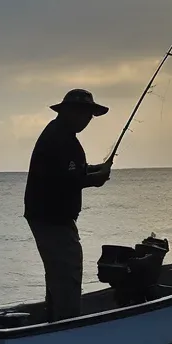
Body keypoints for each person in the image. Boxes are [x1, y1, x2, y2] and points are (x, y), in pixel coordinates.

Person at [24, 88, 113, 322]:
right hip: (51, 219)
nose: (87, 120)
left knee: (58, 273)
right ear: (69, 112)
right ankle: (66, 325)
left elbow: (70, 170)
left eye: (90, 115)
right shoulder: (60, 139)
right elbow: (67, 179)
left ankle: (55, 318)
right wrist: (96, 179)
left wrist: (95, 169)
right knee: (67, 272)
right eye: (84, 113)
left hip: (51, 217)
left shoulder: (61, 136)